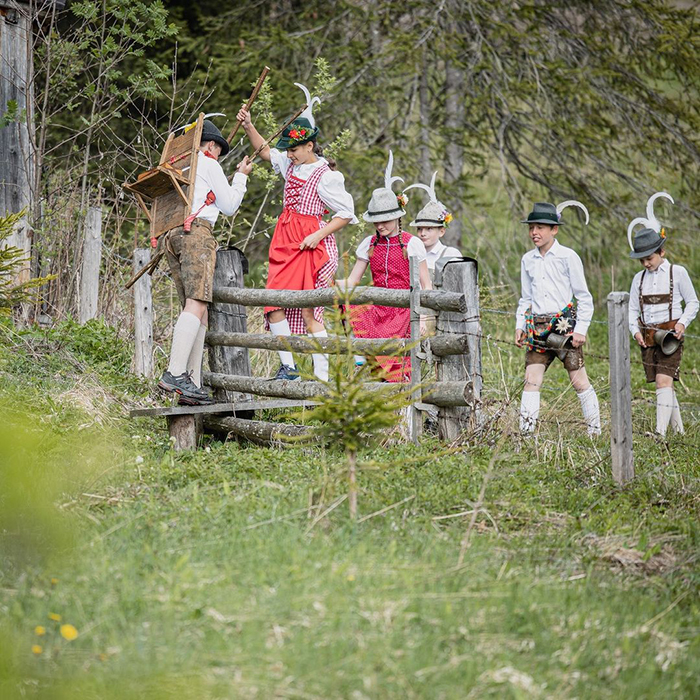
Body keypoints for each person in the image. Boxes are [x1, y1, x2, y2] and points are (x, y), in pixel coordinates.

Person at [236, 83, 356, 381]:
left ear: (309, 146)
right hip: (285, 239)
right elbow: (265, 151)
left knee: (308, 310)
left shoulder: (326, 175)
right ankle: (288, 367)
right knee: (272, 302)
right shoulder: (291, 165)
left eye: (293, 149)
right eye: (288, 150)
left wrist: (317, 235)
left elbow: (346, 213)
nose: (288, 155)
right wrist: (249, 125)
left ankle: (324, 377)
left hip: (310, 243)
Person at [158, 118, 252, 404]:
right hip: (196, 232)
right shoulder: (208, 163)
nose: (218, 154)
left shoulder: (180, 164)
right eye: (218, 149)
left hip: (172, 233)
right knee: (197, 302)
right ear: (211, 144)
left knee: (199, 309)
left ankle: (191, 382)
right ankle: (175, 374)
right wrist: (241, 177)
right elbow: (229, 205)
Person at [343, 151, 431, 382]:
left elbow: (426, 283)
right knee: (352, 306)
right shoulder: (369, 244)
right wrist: (335, 289)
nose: (380, 225)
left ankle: (400, 405)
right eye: (377, 221)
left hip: (403, 311)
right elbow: (353, 281)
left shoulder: (412, 244)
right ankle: (362, 350)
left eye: (385, 220)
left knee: (398, 365)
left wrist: (423, 317)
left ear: (397, 217)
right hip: (378, 307)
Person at [514, 201, 601, 435]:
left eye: (541, 227)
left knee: (578, 380)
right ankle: (526, 432)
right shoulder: (527, 260)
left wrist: (581, 328)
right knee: (531, 379)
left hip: (564, 328)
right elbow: (526, 297)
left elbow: (584, 296)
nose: (535, 233)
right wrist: (520, 325)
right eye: (532, 227)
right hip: (537, 328)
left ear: (555, 229)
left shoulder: (567, 256)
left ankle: (595, 431)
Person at [627, 192, 698, 436]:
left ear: (662, 252)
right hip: (648, 338)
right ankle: (678, 432)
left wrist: (682, 324)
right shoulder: (638, 279)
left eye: (649, 258)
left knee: (663, 382)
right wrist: (634, 331)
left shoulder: (678, 273)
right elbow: (632, 310)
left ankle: (659, 434)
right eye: (642, 260)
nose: (646, 263)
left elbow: (693, 303)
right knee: (664, 382)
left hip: (670, 338)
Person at [405, 171, 462, 333]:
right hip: (415, 312)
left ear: (441, 231)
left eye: (429, 229)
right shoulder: (412, 254)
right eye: (420, 229)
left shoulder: (450, 254)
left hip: (444, 315)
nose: (423, 233)